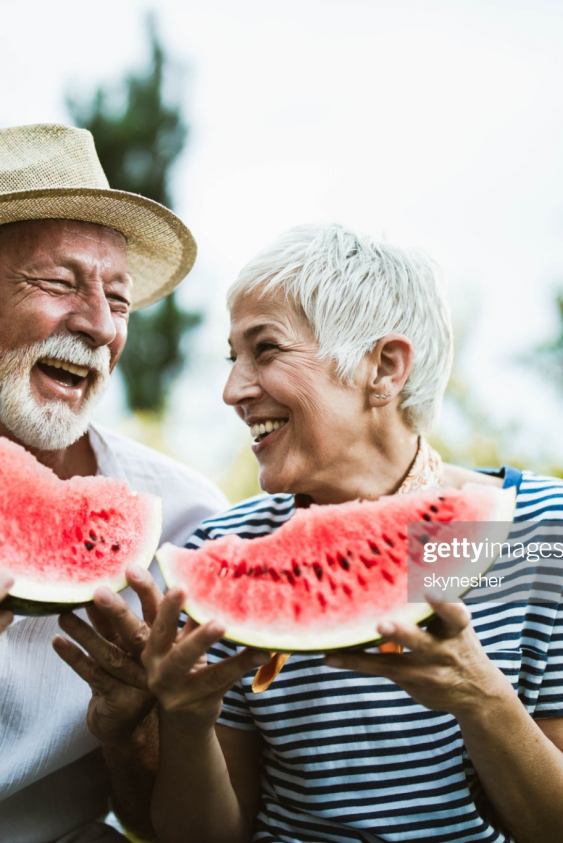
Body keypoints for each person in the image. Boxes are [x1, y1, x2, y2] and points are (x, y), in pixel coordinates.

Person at [61, 224, 563, 842]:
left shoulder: (545, 535)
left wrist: (482, 700)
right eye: (232, 357)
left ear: (384, 367)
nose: (233, 390)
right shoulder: (220, 549)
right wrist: (187, 722)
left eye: (265, 350)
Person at [0, 123, 228, 843]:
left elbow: (166, 825)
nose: (100, 325)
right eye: (59, 282)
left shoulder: (186, 516)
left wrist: (133, 735)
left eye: (120, 299)